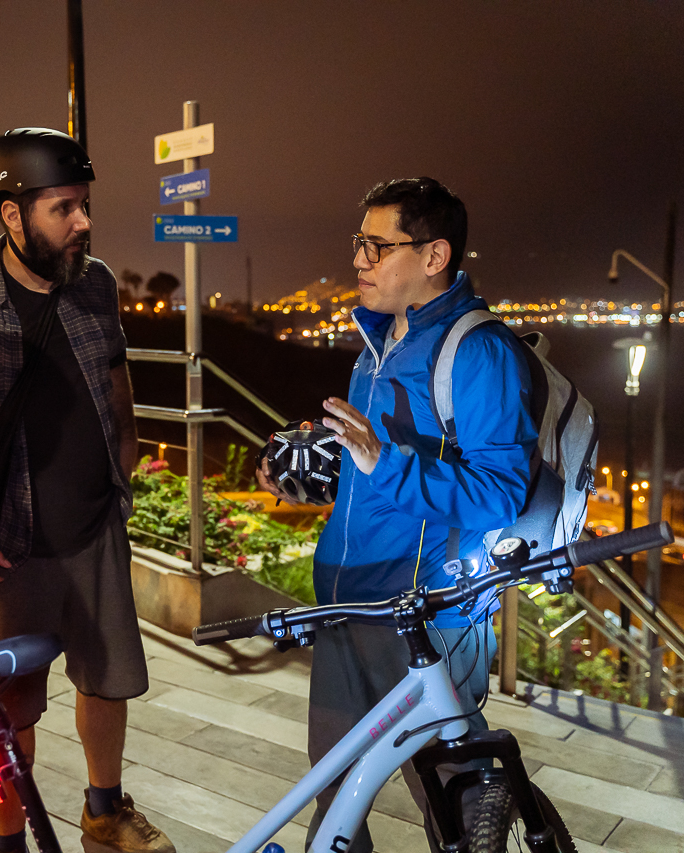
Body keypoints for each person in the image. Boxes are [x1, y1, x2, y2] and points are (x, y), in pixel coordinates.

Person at [0, 128, 173, 853]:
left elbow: (117, 382)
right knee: (7, 710)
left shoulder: (95, 283)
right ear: (12, 215)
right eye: (64, 208)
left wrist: (121, 485)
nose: (83, 222)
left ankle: (103, 807)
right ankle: (10, 843)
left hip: (94, 529)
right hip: (7, 547)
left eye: (84, 205)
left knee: (106, 680)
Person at [257, 177, 537, 852]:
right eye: (359, 243)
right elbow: (374, 468)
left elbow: (500, 493)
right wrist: (315, 473)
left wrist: (383, 462)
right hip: (349, 601)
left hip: (422, 615)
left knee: (452, 799)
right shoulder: (379, 343)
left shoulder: (479, 354)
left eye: (376, 245)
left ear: (434, 255)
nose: (359, 259)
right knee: (334, 784)